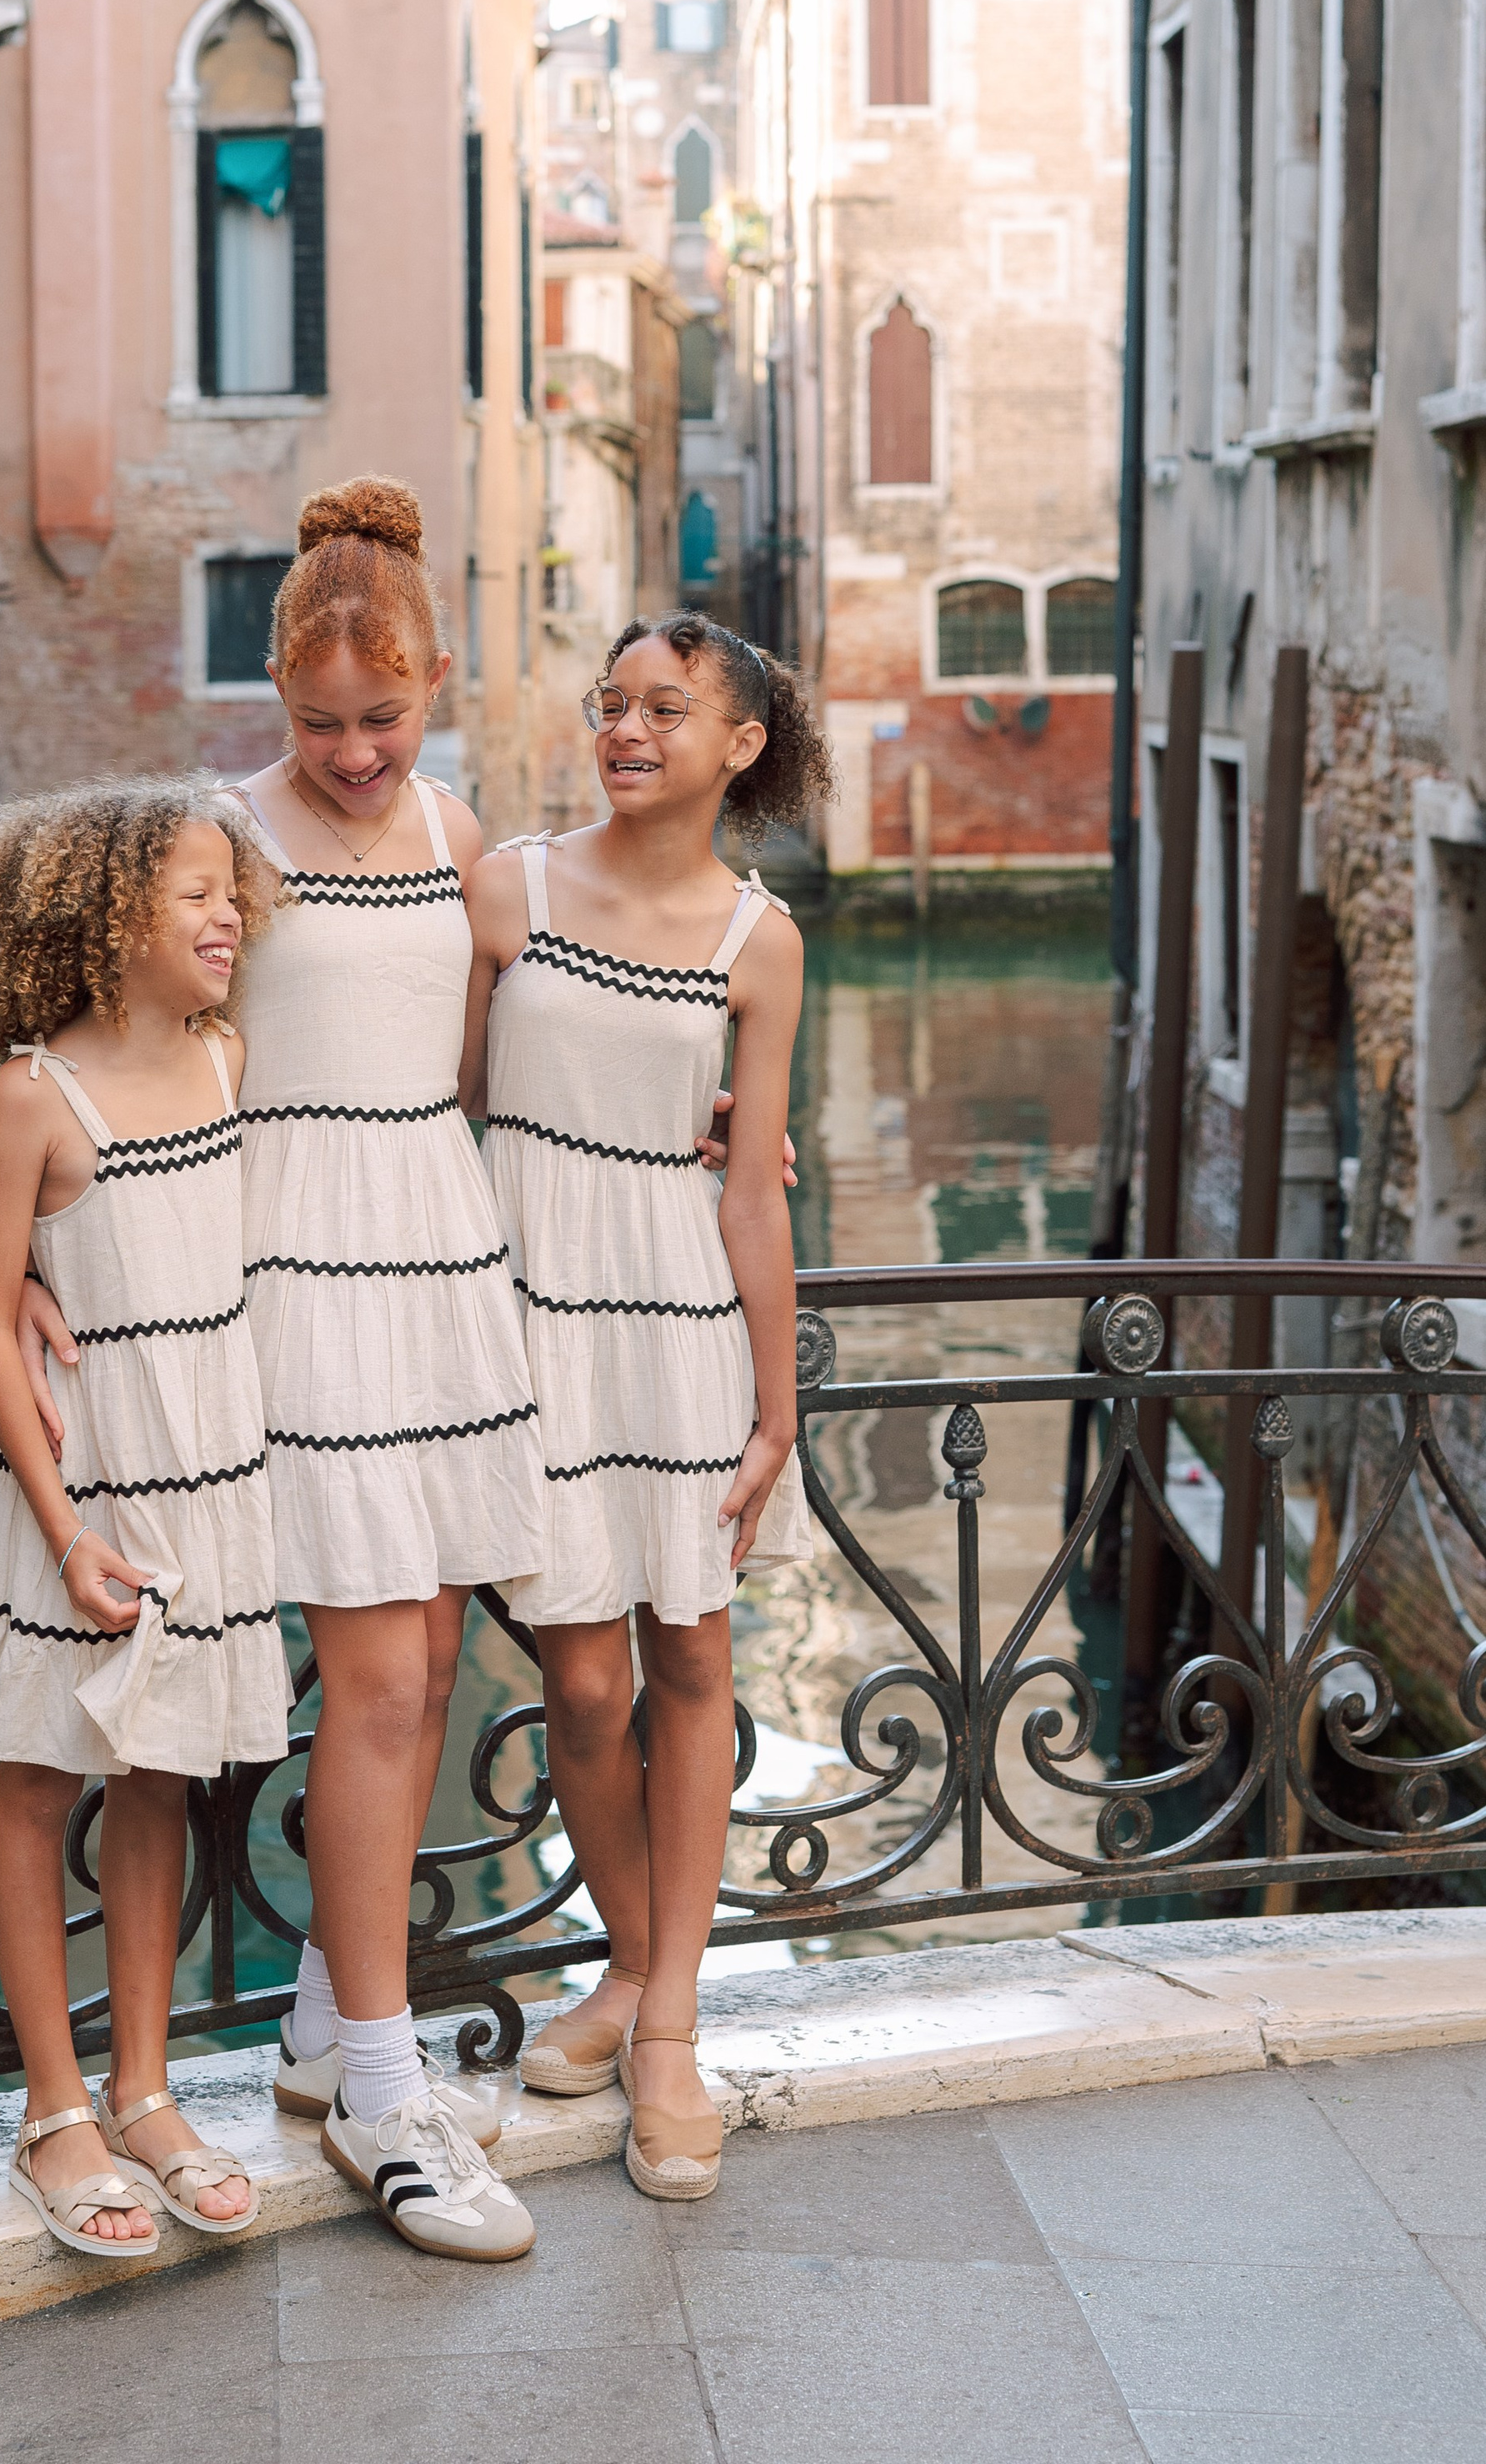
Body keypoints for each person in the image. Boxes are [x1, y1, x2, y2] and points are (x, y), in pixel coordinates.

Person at [18, 479, 543, 2266]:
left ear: (434, 686)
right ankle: (385, 2093)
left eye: (380, 718)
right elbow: (79, 1032)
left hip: (438, 1249)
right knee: (375, 1669)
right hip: (284, 1268)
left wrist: (706, 1122)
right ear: (270, 700)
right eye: (316, 722)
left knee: (431, 1652)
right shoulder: (215, 837)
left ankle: (331, 2013)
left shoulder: (460, 828)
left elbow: (485, 1054)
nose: (349, 751)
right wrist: (20, 1256)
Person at [460, 611, 830, 2203]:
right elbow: (429, 1104)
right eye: (609, 704)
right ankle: (628, 1958)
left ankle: (665, 2020)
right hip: (528, 1310)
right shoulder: (507, 890)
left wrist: (777, 1407)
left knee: (690, 1654)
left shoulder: (764, 940)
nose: (624, 730)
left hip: (681, 1316)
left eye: (663, 709)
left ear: (739, 743)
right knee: (585, 1683)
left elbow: (756, 1194)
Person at [0, 779, 290, 2258]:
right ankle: (53, 2111)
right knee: (39, 1787)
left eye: (233, 894)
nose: (229, 917)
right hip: (81, 1502)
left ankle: (147, 2092)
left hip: (214, 1481)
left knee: (156, 1785)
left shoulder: (225, 1061)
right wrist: (63, 1521)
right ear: (106, 917)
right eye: (196, 895)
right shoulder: (36, 1094)